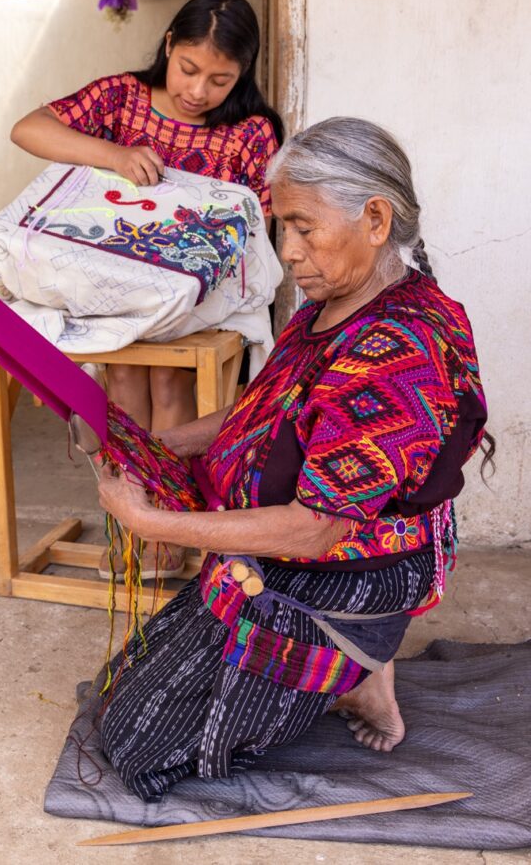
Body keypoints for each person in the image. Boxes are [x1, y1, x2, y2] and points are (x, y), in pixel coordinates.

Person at [96, 116, 492, 803]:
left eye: (305, 227)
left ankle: (363, 658)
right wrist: (168, 447)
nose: (291, 252)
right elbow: (266, 410)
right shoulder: (331, 305)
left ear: (375, 218)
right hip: (295, 549)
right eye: (284, 228)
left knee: (137, 744)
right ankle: (359, 668)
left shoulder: (398, 352)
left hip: (353, 569)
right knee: (121, 698)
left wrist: (155, 523)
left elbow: (317, 526)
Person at [11, 0, 283, 579]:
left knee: (169, 380)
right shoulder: (121, 99)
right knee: (126, 375)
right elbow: (28, 129)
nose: (197, 91)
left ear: (242, 73)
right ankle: (128, 524)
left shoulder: (252, 132)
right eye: (188, 69)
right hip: (117, 288)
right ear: (168, 47)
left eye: (219, 79)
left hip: (197, 296)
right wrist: (110, 153)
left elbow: (257, 226)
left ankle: (165, 527)